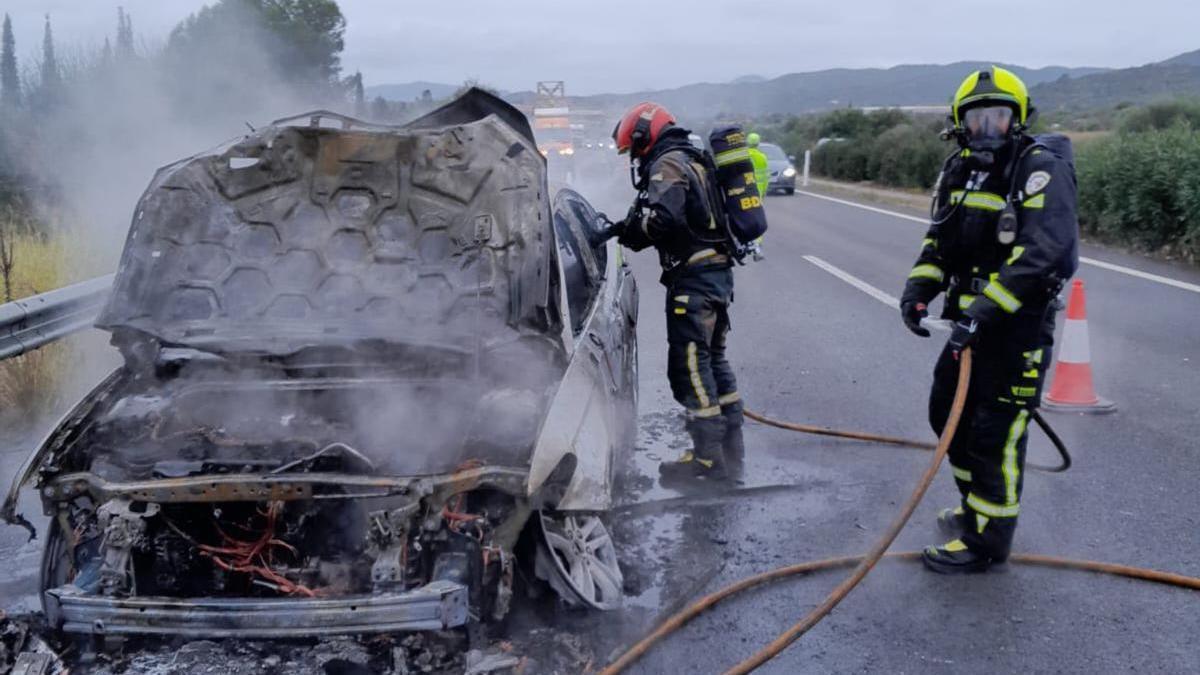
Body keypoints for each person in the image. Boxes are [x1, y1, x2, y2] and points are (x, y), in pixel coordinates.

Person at [899, 66, 1079, 573]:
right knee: (945, 413)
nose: (987, 130)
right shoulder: (959, 170)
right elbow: (939, 241)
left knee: (995, 433)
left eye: (999, 118)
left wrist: (982, 312)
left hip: (1016, 330)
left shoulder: (1038, 167)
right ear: (960, 124)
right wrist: (919, 289)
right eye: (977, 120)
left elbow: (1043, 253)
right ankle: (972, 505)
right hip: (970, 327)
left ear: (1017, 121)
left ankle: (988, 541)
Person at [597, 102, 743, 481]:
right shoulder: (692, 159)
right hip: (716, 275)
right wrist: (621, 226)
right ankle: (731, 445)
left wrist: (631, 233)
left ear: (646, 136)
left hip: (693, 282)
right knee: (714, 360)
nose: (636, 157)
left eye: (635, 148)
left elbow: (663, 220)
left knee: (691, 366)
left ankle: (707, 459)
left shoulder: (669, 164)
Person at [747, 132, 770, 198]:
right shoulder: (763, 157)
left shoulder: (744, 156)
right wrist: (764, 190)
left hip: (745, 189)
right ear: (758, 143)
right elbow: (766, 176)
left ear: (747, 142)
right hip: (758, 191)